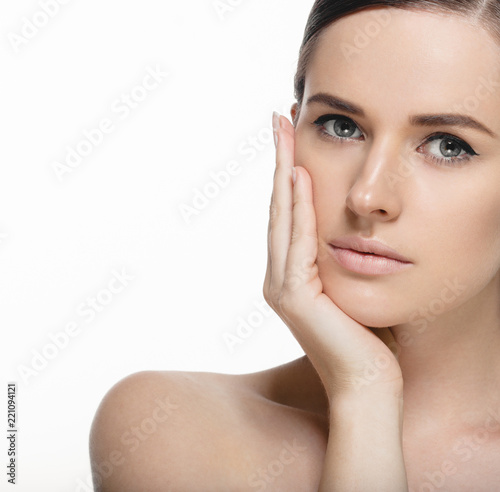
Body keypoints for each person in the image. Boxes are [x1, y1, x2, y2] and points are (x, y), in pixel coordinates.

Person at [88, 0, 500, 490]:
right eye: (341, 127)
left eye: (448, 144)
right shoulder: (170, 430)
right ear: (292, 135)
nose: (367, 196)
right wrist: (363, 395)